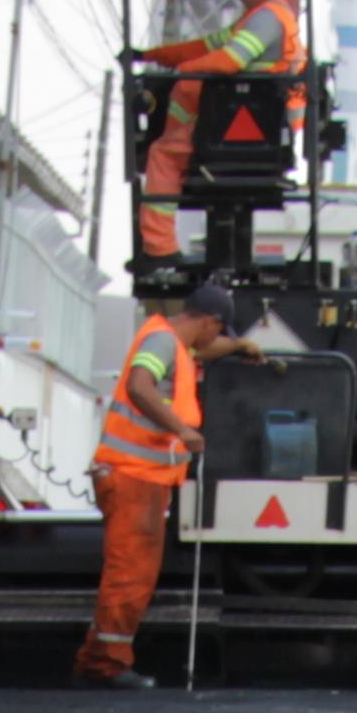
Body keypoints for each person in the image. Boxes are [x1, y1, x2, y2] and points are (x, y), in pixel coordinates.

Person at [75, 285, 234, 688]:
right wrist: (183, 429)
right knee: (129, 576)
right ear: (210, 322)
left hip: (138, 477)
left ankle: (97, 660)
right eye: (219, 331)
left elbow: (203, 351)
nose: (216, 339)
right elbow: (139, 385)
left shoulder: (173, 342)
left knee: (129, 573)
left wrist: (241, 346)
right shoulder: (163, 342)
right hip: (135, 476)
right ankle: (104, 667)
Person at [135, 0, 306, 263]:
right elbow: (203, 47)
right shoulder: (258, 17)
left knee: (161, 154)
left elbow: (230, 60)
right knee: (186, 90)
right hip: (258, 129)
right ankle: (182, 154)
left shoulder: (267, 18)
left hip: (245, 130)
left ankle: (159, 249)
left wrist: (183, 71)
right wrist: (151, 55)